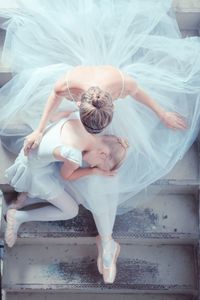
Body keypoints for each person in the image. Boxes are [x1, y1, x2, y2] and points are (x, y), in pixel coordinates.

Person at [0, 0, 200, 284]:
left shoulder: (121, 83)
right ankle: (105, 240)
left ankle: (106, 241)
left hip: (85, 120)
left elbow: (140, 93)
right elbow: (53, 98)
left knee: (106, 177)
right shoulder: (68, 83)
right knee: (97, 177)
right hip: (69, 126)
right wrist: (40, 128)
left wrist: (162, 113)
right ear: (80, 105)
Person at [5, 110, 128, 284]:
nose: (92, 164)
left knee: (77, 193)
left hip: (32, 156)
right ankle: (18, 217)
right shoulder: (74, 156)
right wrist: (93, 171)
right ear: (102, 154)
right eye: (98, 164)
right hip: (36, 174)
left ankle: (27, 198)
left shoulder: (79, 118)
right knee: (71, 210)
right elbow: (66, 176)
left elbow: (55, 117)